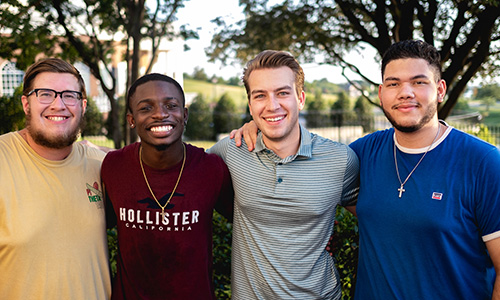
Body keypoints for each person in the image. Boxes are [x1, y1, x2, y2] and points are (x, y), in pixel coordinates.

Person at [234, 40, 500, 299]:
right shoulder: (361, 153)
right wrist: (260, 127)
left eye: (419, 82)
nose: (405, 92)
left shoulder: (483, 162)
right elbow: (304, 166)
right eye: (394, 84)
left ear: (440, 90)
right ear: (381, 93)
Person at [207, 50, 360, 299]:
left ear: (300, 98)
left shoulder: (340, 160)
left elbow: (375, 221)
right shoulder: (231, 151)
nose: (272, 105)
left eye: (282, 93)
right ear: (250, 104)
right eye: (260, 96)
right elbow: (181, 171)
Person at [101, 73, 234, 300]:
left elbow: (249, 224)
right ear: (131, 119)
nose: (160, 114)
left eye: (171, 105)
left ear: (184, 114)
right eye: (146, 108)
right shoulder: (113, 166)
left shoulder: (211, 168)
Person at [0, 58, 111, 299]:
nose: (58, 105)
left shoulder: (100, 166)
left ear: (82, 105)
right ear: (26, 104)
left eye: (69, 95)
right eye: (45, 94)